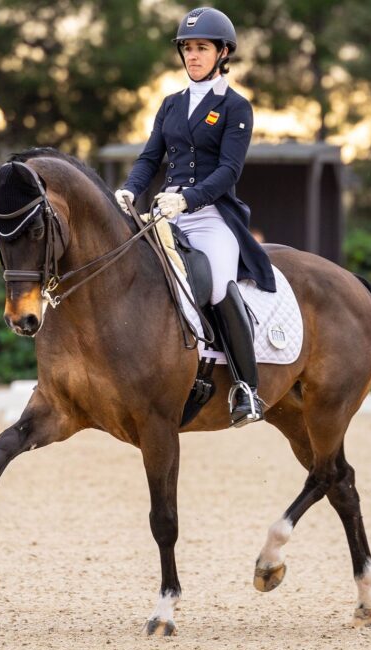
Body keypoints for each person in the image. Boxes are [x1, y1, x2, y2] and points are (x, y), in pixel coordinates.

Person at [115, 7, 275, 428]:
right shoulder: (170, 105)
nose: (193, 55)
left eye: (202, 47)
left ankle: (247, 389)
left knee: (219, 286)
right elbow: (150, 157)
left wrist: (187, 200)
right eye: (187, 48)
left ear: (223, 53)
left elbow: (229, 171)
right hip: (165, 213)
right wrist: (131, 187)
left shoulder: (235, 107)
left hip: (211, 217)